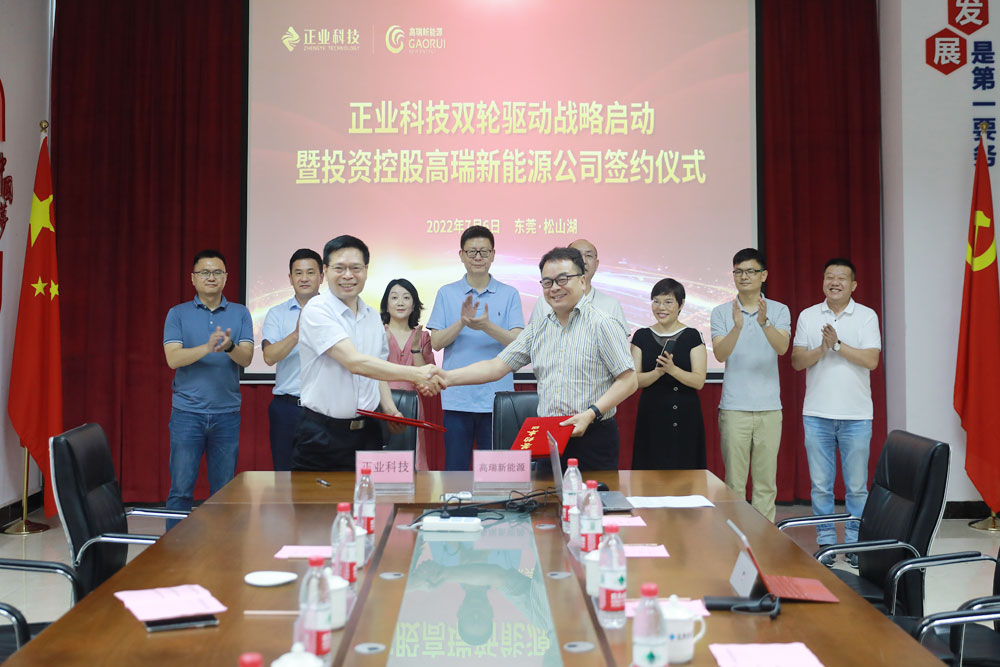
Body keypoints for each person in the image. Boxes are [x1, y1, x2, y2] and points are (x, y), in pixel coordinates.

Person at [442, 247, 637, 471]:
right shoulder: (538, 328)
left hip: (593, 435)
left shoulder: (603, 323)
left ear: (582, 281)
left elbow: (628, 380)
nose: (555, 288)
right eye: (547, 282)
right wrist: (445, 377)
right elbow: (496, 366)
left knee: (592, 494)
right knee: (545, 494)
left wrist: (591, 413)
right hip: (549, 436)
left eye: (562, 279)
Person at [292, 235, 443, 471]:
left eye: (355, 268)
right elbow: (355, 362)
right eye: (339, 268)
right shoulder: (317, 310)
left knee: (369, 495)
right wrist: (416, 374)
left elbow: (376, 370)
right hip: (323, 434)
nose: (348, 275)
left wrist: (390, 410)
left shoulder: (372, 317)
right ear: (325, 271)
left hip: (368, 432)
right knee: (317, 497)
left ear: (366, 270)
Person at [791, 258, 881, 567]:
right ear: (823, 282)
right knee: (820, 486)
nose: (835, 282)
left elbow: (871, 360)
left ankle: (855, 543)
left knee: (856, 487)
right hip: (817, 414)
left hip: (857, 415)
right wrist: (822, 349)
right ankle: (827, 542)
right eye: (829, 276)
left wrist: (839, 345)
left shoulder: (866, 316)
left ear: (853, 285)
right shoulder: (808, 316)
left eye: (841, 278)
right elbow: (797, 362)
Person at [163, 249, 254, 524]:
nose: (211, 277)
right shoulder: (177, 314)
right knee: (180, 491)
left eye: (217, 272)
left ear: (226, 277)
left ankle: (220, 547)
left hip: (227, 414)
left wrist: (229, 346)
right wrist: (207, 347)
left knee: (223, 493)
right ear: (193, 278)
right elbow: (173, 359)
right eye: (204, 272)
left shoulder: (240, 313)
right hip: (187, 414)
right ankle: (174, 548)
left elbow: (246, 359)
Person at [427, 226, 524, 470]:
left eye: (484, 252)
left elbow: (518, 343)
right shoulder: (446, 293)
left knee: (496, 473)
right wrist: (462, 322)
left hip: (498, 399)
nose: (478, 257)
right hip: (457, 398)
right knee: (455, 472)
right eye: (472, 252)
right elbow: (436, 342)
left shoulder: (510, 293)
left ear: (493, 255)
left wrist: (486, 326)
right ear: (461, 255)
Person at [710, 248, 790, 521]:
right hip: (734, 408)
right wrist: (737, 327)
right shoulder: (722, 312)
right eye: (738, 272)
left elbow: (782, 348)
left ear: (763, 275)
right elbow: (721, 354)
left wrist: (764, 323)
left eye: (750, 271)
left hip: (769, 408)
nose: (744, 277)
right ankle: (736, 537)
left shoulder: (779, 310)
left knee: (766, 484)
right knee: (734, 483)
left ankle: (763, 539)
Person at [630, 278, 707, 469]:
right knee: (649, 470)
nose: (661, 307)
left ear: (681, 304)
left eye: (668, 302)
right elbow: (634, 380)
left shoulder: (692, 336)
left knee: (687, 471)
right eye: (656, 301)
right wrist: (658, 372)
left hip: (686, 414)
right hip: (651, 414)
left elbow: (699, 381)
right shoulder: (641, 336)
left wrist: (672, 370)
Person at [260, 248, 323, 471]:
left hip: (326, 408)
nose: (304, 278)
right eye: (298, 273)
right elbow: (269, 356)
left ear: (321, 276)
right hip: (287, 409)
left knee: (325, 477)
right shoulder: (277, 314)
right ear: (290, 278)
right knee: (284, 476)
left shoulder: (336, 312)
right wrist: (297, 333)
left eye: (310, 272)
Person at [381, 278, 435, 471]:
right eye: (394, 297)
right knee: (382, 457)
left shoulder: (423, 336)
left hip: (413, 405)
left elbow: (427, 379)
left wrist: (415, 348)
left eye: (406, 297)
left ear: (414, 305)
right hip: (381, 402)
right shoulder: (378, 332)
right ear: (386, 304)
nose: (400, 302)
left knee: (414, 459)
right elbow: (369, 370)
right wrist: (382, 343)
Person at [529, 238, 629, 335]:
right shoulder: (544, 302)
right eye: (577, 255)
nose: (583, 261)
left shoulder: (611, 305)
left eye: (589, 255)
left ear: (596, 264)